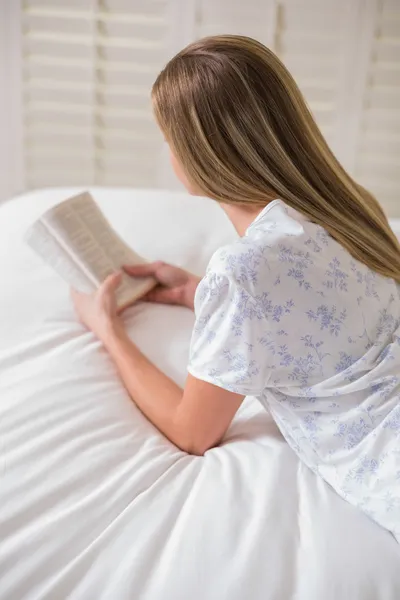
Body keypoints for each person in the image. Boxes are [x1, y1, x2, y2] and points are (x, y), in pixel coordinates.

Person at [71, 36, 400, 542]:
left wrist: (108, 331)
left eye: (168, 138)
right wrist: (198, 292)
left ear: (201, 151)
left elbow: (193, 432)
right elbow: (318, 302)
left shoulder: (244, 271)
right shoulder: (352, 206)